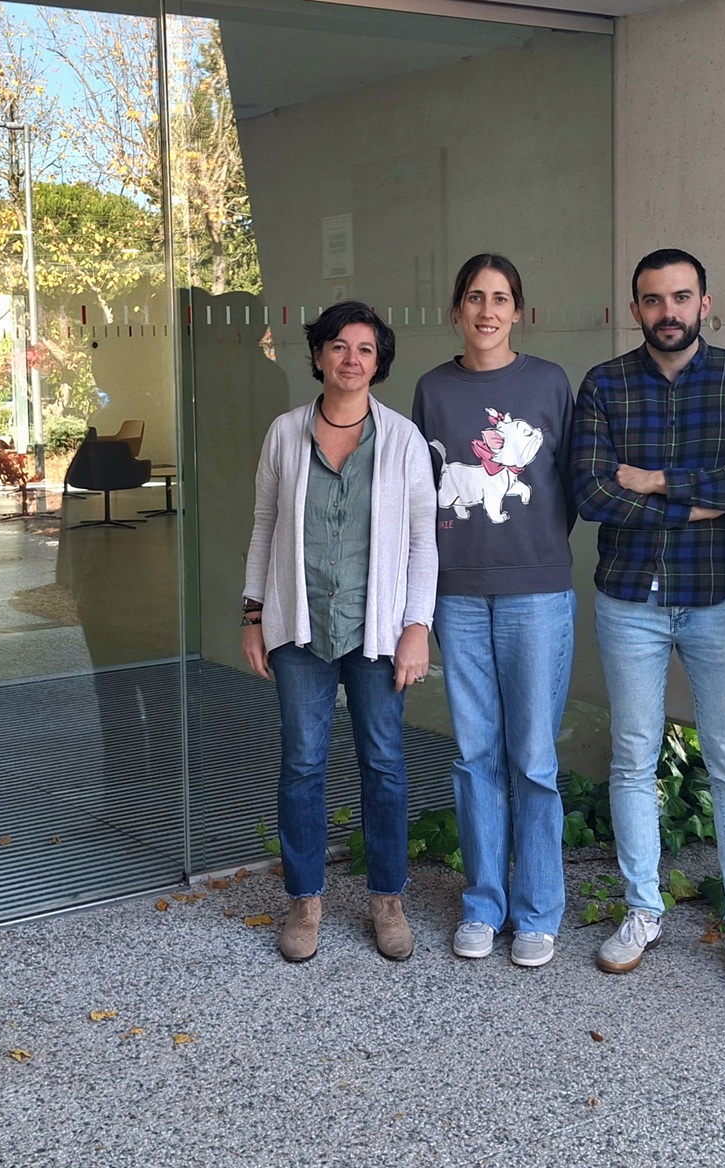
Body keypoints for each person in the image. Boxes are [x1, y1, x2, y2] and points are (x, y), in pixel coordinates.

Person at [572, 248, 725, 992]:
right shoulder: (604, 384)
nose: (669, 312)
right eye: (654, 300)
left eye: (681, 297)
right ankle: (642, 910)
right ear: (636, 308)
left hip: (718, 597)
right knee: (633, 758)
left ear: (704, 303)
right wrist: (702, 499)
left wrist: (657, 480)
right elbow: (592, 493)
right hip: (629, 598)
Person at [243, 301, 438, 963]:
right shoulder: (284, 433)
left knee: (384, 765)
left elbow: (423, 541)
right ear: (319, 355)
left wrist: (417, 627)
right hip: (300, 628)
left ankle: (387, 899)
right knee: (302, 765)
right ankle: (305, 901)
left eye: (365, 349)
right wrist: (253, 614)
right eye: (339, 346)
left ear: (379, 362)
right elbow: (265, 525)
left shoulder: (403, 439)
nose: (351, 359)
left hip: (377, 632)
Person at [411, 254, 576, 968]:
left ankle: (538, 912)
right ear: (457, 310)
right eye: (475, 298)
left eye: (500, 298)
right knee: (475, 755)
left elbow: (568, 484)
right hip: (457, 596)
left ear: (519, 311)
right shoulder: (433, 389)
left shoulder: (549, 383)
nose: (487, 310)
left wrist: (530, 551)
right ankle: (483, 904)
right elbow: (422, 492)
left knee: (533, 758)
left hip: (536, 593)